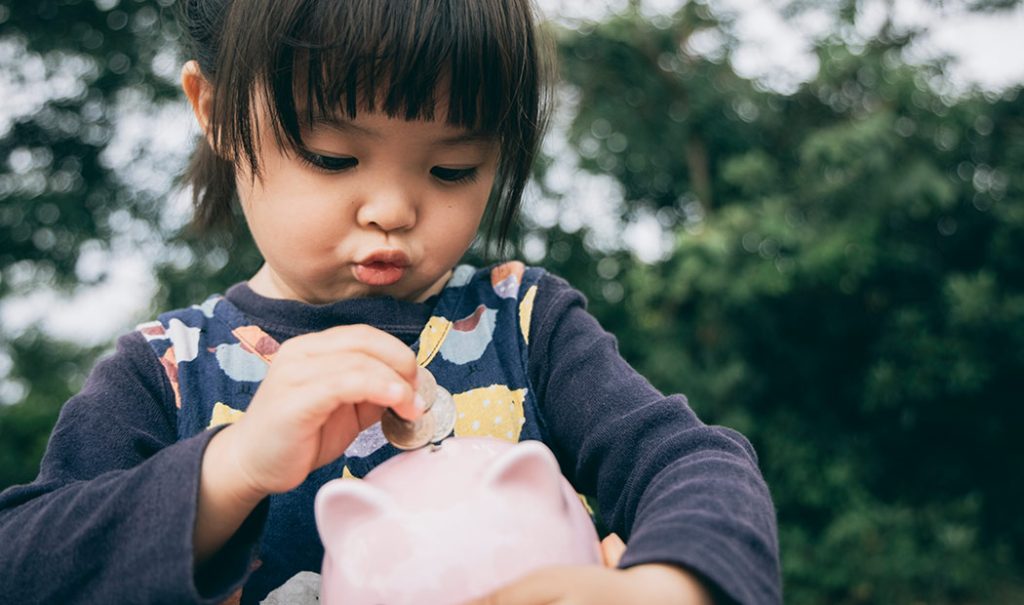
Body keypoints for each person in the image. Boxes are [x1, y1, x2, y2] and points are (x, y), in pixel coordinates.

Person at [0, 0, 780, 603]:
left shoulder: (525, 324)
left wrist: (670, 582)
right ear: (215, 112)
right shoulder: (168, 370)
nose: (393, 210)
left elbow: (693, 461)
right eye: (336, 156)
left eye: (452, 168)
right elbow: (26, 560)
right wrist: (230, 468)